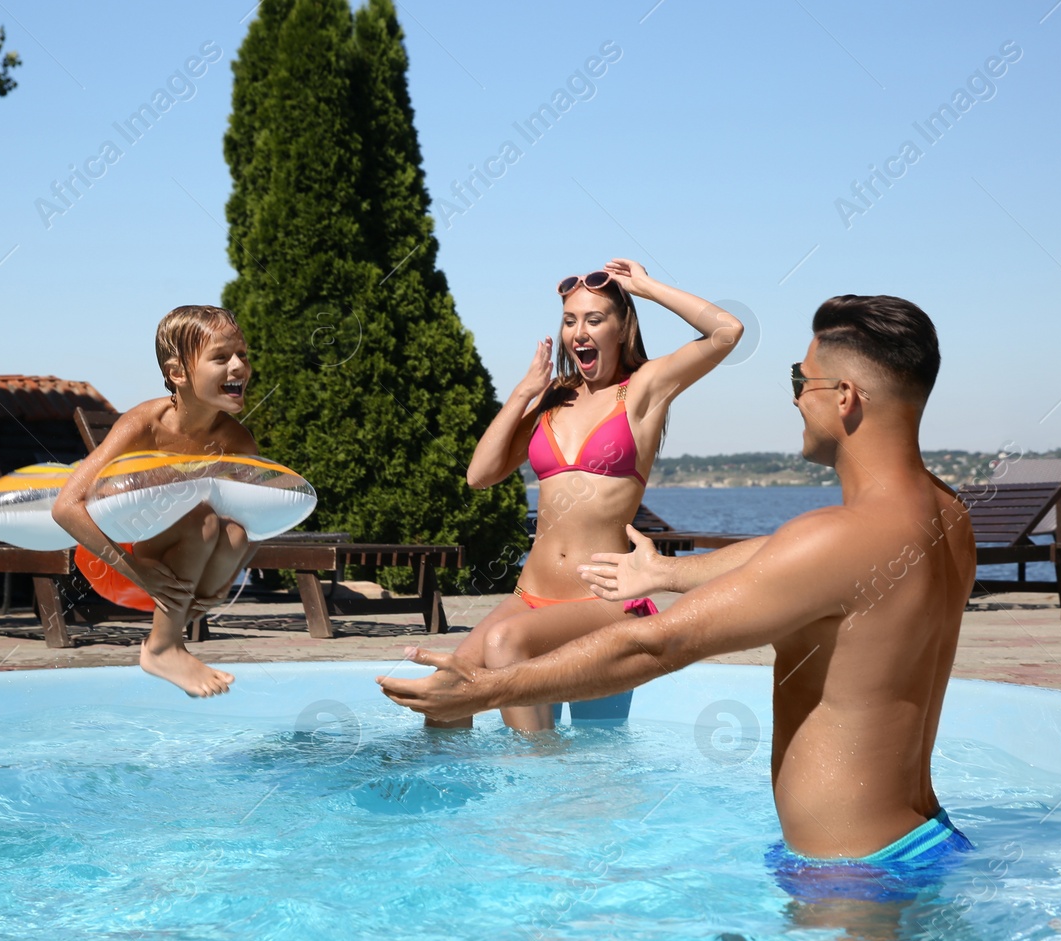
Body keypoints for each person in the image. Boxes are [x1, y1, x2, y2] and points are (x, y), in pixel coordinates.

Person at [381, 295, 978, 875]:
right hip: (923, 839)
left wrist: (485, 691)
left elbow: (657, 645)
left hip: (852, 877)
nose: (796, 399)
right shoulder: (946, 517)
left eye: (802, 380)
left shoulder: (834, 539)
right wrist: (667, 571)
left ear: (845, 397)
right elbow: (777, 553)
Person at [445, 258, 744, 731]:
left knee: (518, 657)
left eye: (594, 319)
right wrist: (523, 393)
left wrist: (644, 287)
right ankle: (455, 802)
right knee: (447, 693)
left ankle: (533, 789)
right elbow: (479, 475)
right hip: (531, 596)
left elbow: (726, 330)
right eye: (569, 321)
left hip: (602, 602)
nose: (579, 332)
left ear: (622, 328)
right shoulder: (555, 397)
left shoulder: (643, 389)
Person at [53, 305, 257, 698]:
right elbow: (66, 506)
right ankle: (162, 647)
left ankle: (175, 631)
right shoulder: (145, 423)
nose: (238, 366)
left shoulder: (236, 440)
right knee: (202, 517)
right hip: (112, 560)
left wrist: (225, 580)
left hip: (179, 583)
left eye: (242, 355)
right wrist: (136, 570)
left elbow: (258, 516)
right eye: (221, 357)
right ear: (178, 373)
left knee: (236, 531)